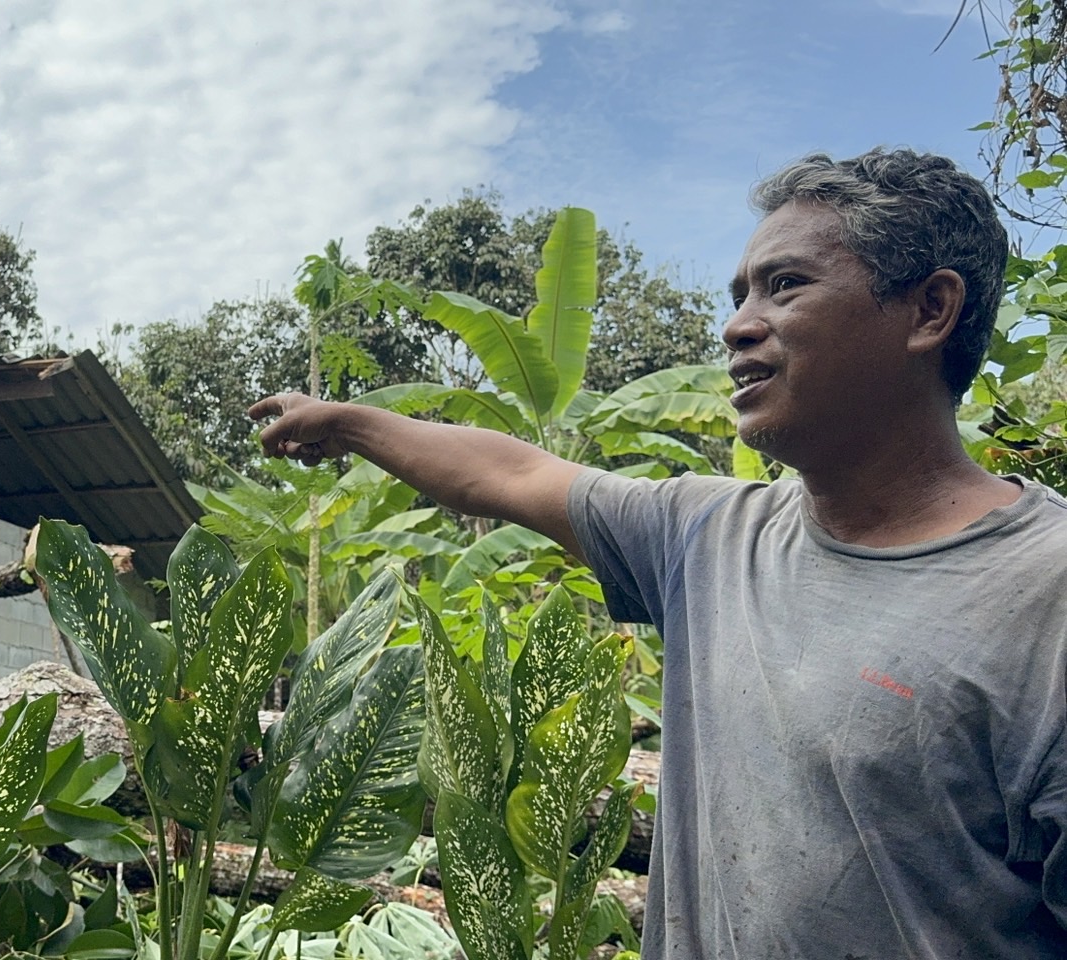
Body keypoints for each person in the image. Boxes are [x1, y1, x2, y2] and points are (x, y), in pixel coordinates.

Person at [249, 149, 1067, 958]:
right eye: (741, 293)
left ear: (930, 310)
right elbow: (513, 471)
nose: (737, 325)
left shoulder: (1045, 593)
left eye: (786, 285)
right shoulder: (705, 537)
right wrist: (349, 423)